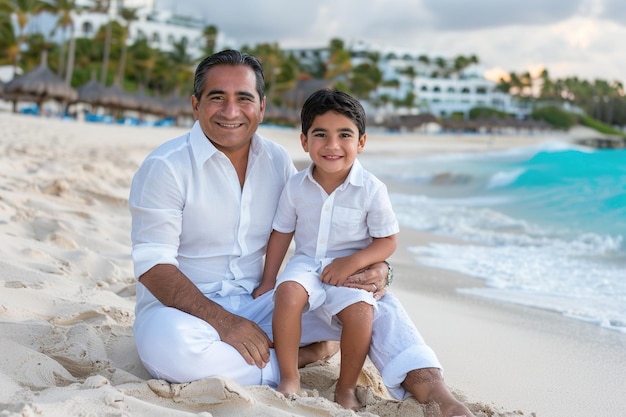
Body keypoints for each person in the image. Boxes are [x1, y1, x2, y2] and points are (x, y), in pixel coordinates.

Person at [129, 49, 474, 417]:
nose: (231, 111)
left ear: (261, 107)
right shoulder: (165, 167)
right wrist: (226, 323)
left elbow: (322, 225)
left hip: (264, 301)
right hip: (184, 311)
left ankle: (435, 391)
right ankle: (305, 355)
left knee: (371, 302)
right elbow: (153, 267)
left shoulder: (277, 160)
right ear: (196, 104)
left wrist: (382, 271)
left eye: (243, 98)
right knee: (172, 351)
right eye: (217, 98)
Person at [252, 89, 398, 410]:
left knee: (361, 313)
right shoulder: (296, 186)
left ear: (361, 142)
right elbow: (281, 233)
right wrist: (268, 279)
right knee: (287, 293)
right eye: (321, 135)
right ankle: (290, 376)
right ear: (305, 142)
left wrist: (353, 262)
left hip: (350, 272)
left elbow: (388, 240)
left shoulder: (372, 189)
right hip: (305, 263)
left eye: (344, 135)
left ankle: (345, 388)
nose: (332, 145)